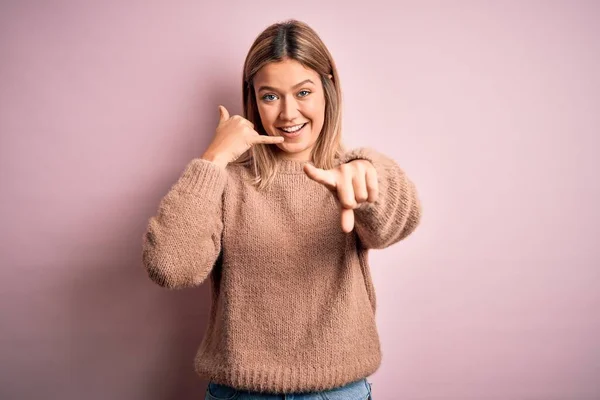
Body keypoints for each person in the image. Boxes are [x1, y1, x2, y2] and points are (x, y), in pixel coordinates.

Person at [142, 19, 422, 400]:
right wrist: (213, 159)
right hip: (239, 393)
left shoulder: (351, 174)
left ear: (328, 90)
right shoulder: (225, 182)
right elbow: (170, 267)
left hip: (336, 392)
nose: (288, 113)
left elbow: (399, 221)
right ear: (253, 101)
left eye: (303, 92)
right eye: (270, 96)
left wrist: (370, 178)